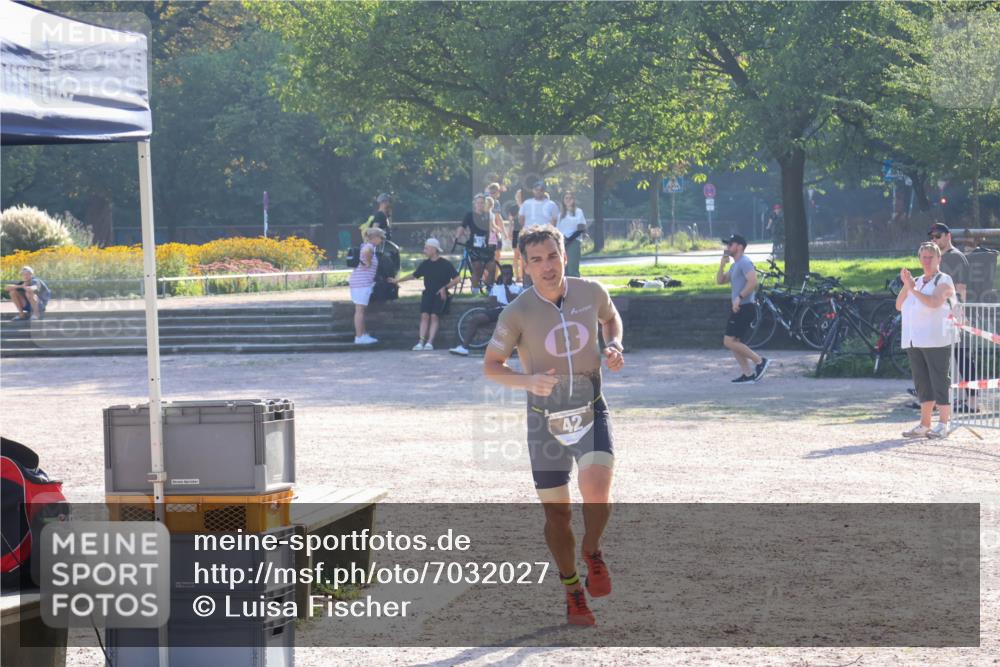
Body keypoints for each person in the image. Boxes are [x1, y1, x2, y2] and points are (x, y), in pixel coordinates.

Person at [483, 225, 625, 627]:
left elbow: (611, 320)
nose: (547, 267)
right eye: (537, 260)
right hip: (544, 422)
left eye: (552, 256)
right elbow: (491, 367)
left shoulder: (591, 292)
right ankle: (572, 590)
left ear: (564, 255)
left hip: (591, 407)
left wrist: (614, 346)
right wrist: (527, 381)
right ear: (524, 266)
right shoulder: (517, 312)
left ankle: (592, 550)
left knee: (597, 490)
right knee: (558, 515)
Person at [897, 242, 957, 439]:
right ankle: (925, 423)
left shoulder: (944, 280)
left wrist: (912, 290)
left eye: (931, 257)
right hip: (914, 340)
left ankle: (943, 423)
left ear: (939, 259)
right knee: (922, 382)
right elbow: (899, 305)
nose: (927, 261)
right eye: (924, 257)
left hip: (936, 339)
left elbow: (934, 303)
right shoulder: (917, 281)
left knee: (940, 380)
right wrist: (908, 286)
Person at [927, 222, 977, 412]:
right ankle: (955, 399)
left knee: (963, 358)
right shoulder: (943, 258)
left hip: (955, 315)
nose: (934, 240)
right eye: (932, 237)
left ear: (948, 236)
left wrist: (960, 315)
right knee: (951, 359)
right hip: (945, 316)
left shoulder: (954, 257)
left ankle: (972, 402)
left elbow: (961, 289)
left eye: (938, 236)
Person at [716, 234, 770, 383]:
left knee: (728, 341)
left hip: (745, 307)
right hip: (739, 308)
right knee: (735, 342)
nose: (727, 247)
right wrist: (722, 264)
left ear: (739, 246)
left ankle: (760, 361)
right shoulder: (735, 265)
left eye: (730, 244)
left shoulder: (745, 262)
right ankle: (748, 374)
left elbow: (753, 282)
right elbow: (720, 280)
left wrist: (739, 298)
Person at [393, 238, 460, 350]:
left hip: (440, 294)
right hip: (428, 293)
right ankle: (421, 341)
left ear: (434, 249)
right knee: (424, 316)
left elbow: (457, 279)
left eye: (426, 248)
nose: (424, 250)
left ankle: (430, 342)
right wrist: (397, 281)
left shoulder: (445, 264)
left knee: (434, 316)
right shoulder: (425, 264)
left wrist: (445, 288)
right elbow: (414, 275)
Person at [449, 264, 522, 356]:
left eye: (508, 274)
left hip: (510, 313)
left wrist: (506, 287)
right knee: (475, 319)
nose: (505, 276)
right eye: (503, 274)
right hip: (496, 311)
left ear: (512, 274)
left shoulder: (518, 289)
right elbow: (493, 303)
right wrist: (503, 303)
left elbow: (511, 301)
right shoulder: (496, 287)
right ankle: (464, 347)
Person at [348, 227, 386, 345]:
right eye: (381, 237)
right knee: (359, 310)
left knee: (361, 310)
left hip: (362, 283)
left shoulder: (369, 247)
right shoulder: (368, 247)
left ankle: (363, 334)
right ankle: (359, 336)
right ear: (374, 237)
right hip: (361, 283)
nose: (382, 240)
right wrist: (368, 262)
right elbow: (365, 253)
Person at [455, 194, 497, 293]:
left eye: (482, 203)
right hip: (474, 245)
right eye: (478, 203)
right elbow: (462, 227)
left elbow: (491, 228)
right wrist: (457, 237)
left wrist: (494, 238)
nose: (480, 205)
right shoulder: (470, 215)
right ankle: (475, 289)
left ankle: (489, 288)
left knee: (492, 267)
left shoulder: (488, 215)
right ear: (475, 204)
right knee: (477, 267)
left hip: (486, 246)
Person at [557, 192, 587, 277]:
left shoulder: (578, 212)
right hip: (562, 242)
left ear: (573, 200)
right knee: (564, 267)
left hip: (574, 241)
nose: (568, 200)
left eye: (570, 198)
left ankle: (576, 287)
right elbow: (558, 230)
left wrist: (569, 239)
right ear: (563, 200)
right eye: (566, 198)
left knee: (572, 268)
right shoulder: (560, 214)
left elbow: (581, 228)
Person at [508, 197, 524, 283]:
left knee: (522, 256)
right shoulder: (513, 208)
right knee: (516, 255)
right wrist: (510, 232)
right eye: (518, 196)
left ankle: (522, 275)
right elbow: (510, 221)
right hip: (516, 232)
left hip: (524, 232)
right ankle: (517, 276)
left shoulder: (526, 206)